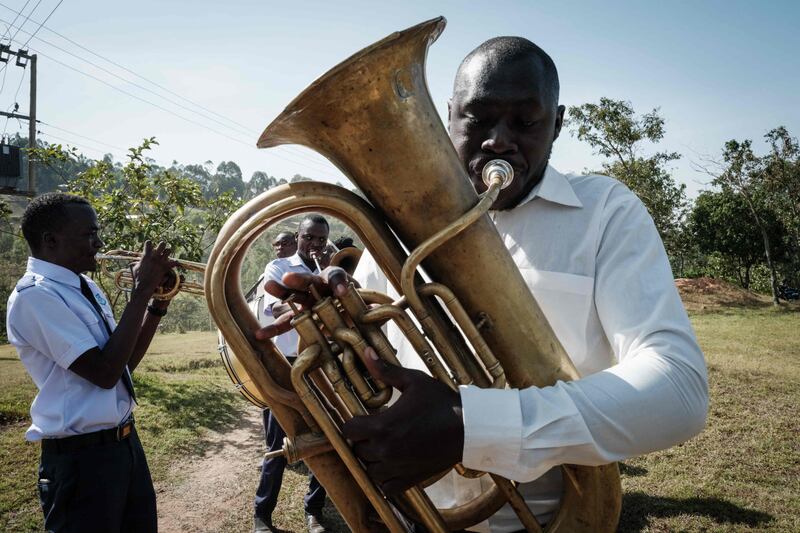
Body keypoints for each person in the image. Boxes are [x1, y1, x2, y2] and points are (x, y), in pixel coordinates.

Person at [258, 36, 709, 532]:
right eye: (478, 117)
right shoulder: (393, 223)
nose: (498, 140)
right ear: (447, 115)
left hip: (544, 520)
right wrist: (326, 322)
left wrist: (473, 426)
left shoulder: (606, 212)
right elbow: (369, 346)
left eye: (525, 121)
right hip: (413, 515)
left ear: (557, 124)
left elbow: (679, 388)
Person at [6, 192, 177, 532]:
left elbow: (121, 367)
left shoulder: (83, 285)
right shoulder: (35, 296)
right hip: (81, 462)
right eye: (89, 234)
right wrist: (140, 291)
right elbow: (103, 373)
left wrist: (156, 305)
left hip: (124, 447)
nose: (99, 242)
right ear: (50, 241)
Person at [253, 215, 331, 533]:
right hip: (286, 364)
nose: (314, 245)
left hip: (324, 363)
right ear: (298, 236)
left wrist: (327, 274)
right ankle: (262, 515)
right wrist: (307, 299)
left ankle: (313, 511)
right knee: (277, 442)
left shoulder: (329, 268)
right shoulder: (279, 268)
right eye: (309, 238)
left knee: (328, 437)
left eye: (320, 240)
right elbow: (275, 309)